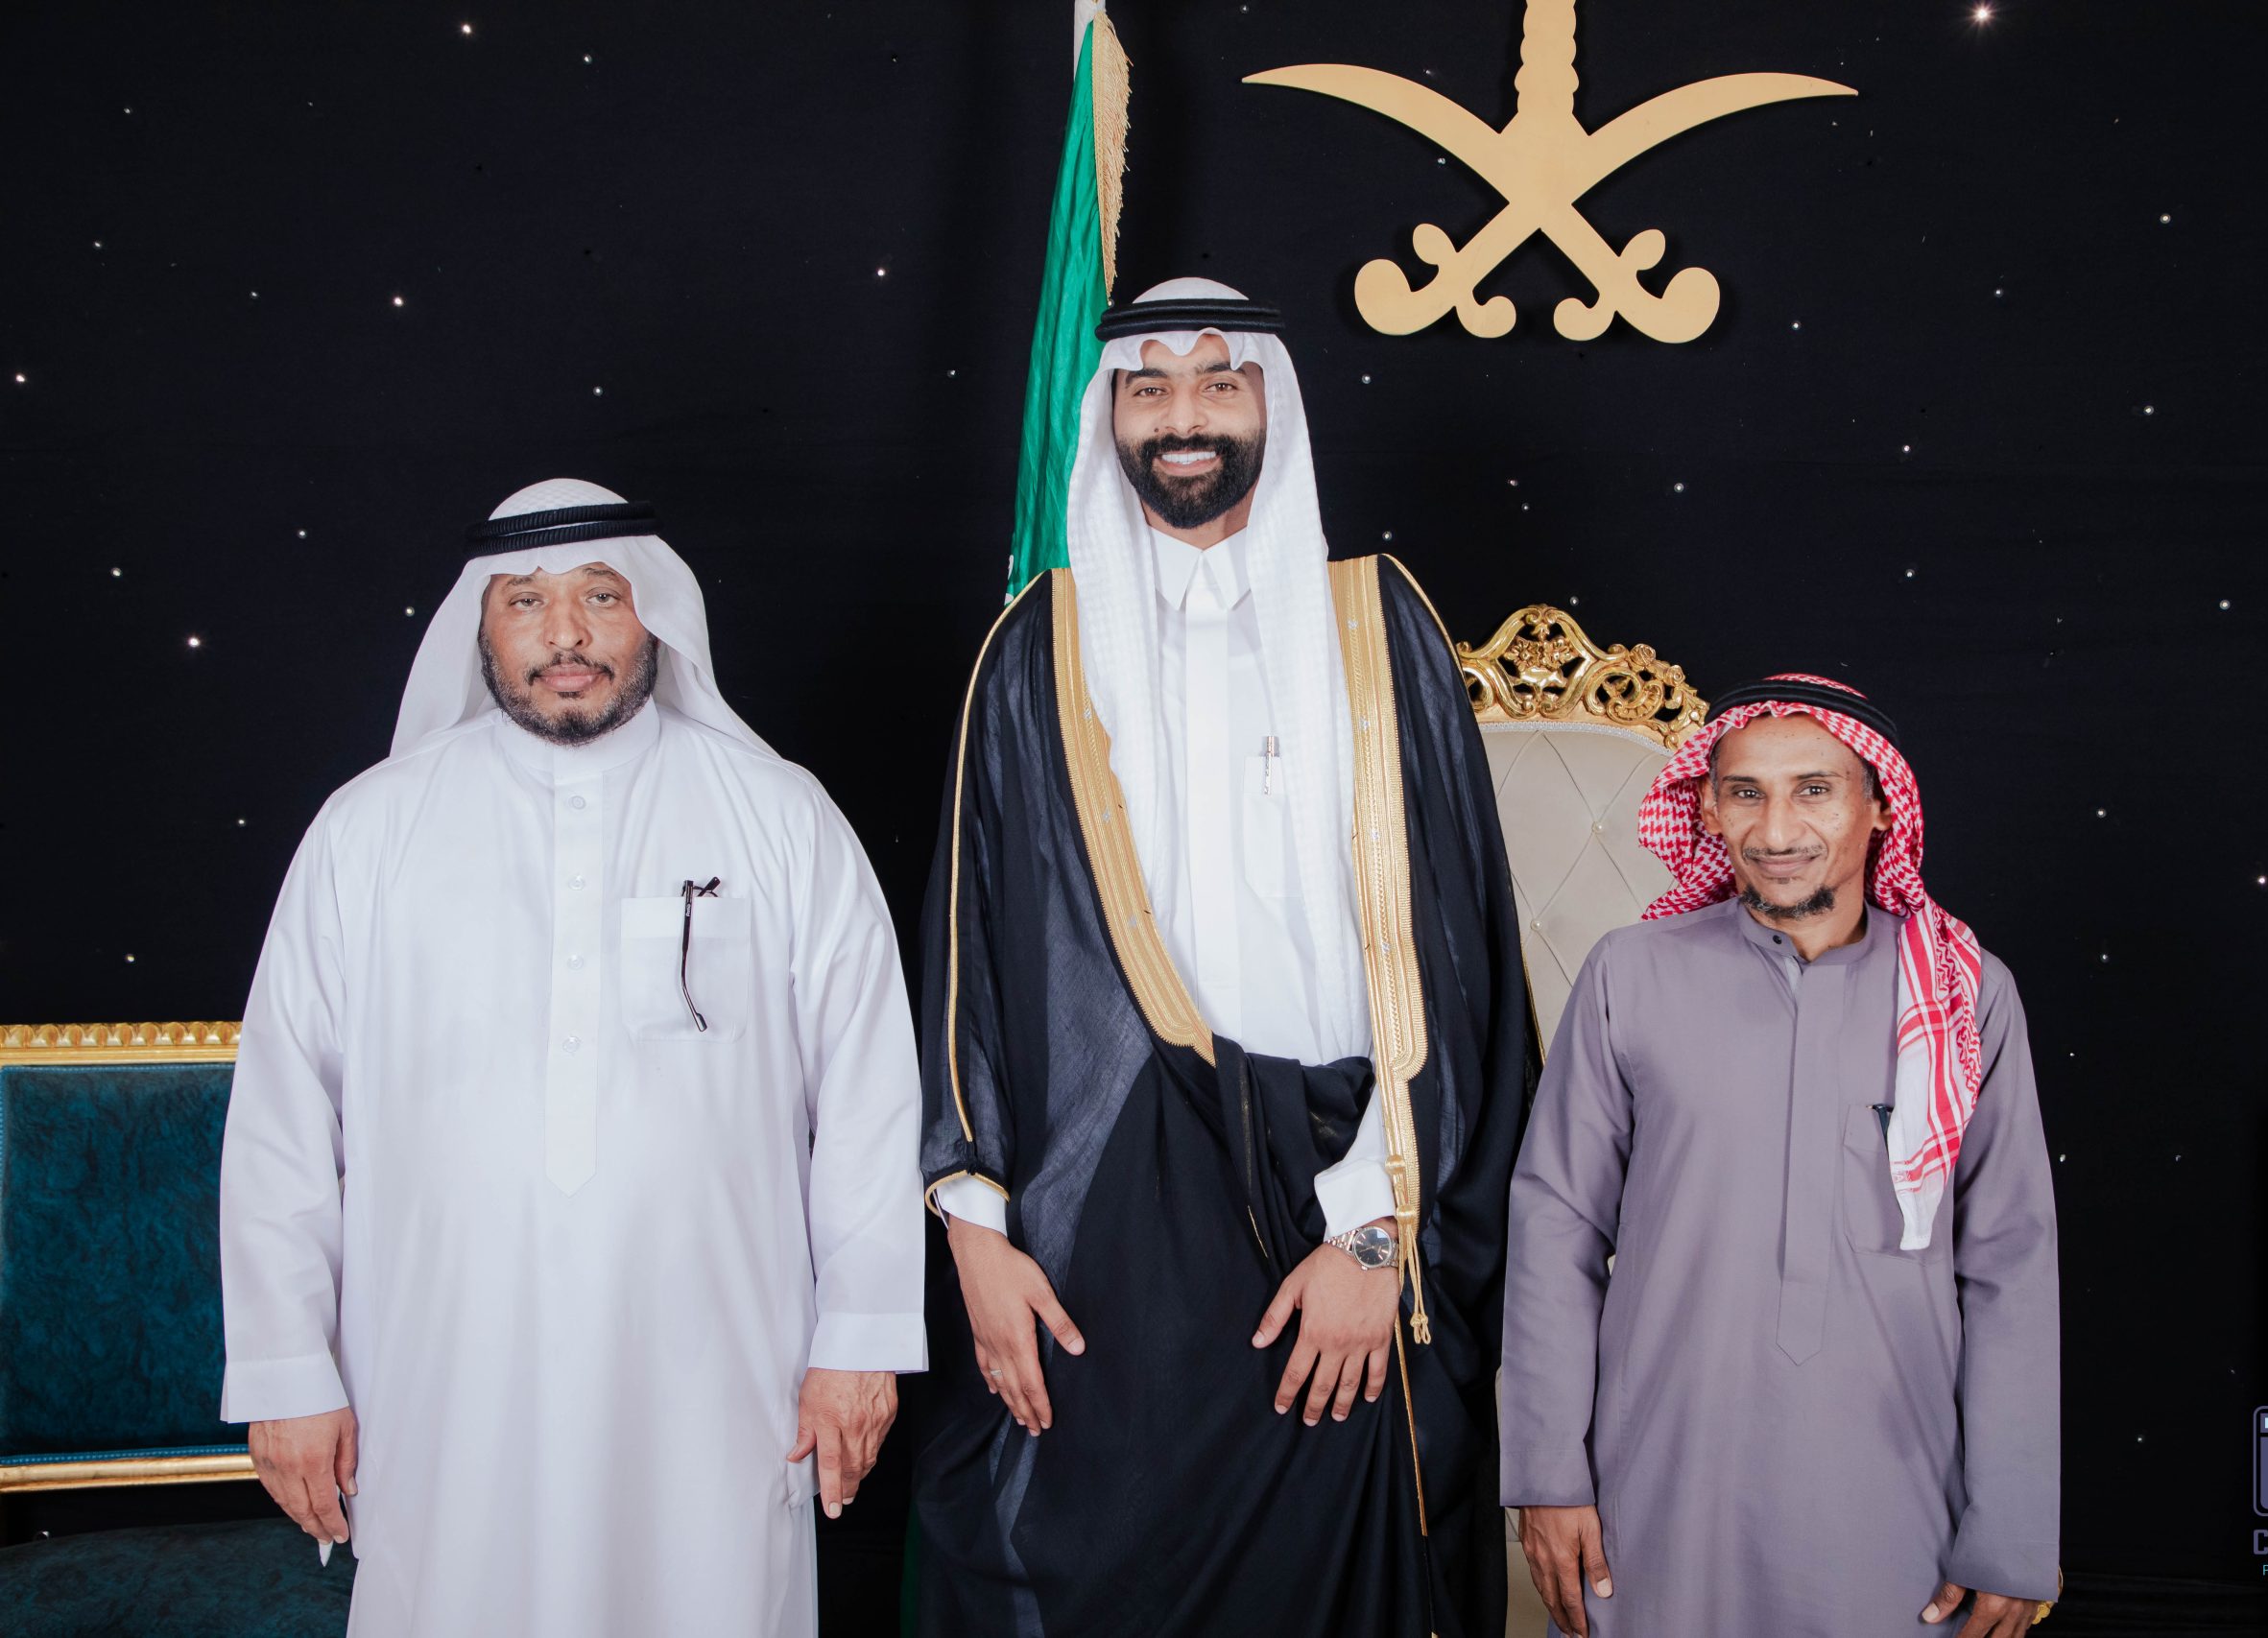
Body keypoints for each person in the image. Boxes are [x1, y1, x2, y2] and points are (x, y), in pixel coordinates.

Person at [911, 279, 1534, 1636]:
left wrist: (1377, 1228)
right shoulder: (1035, 650)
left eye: (1217, 381)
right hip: (1098, 1218)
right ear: (1110, 417)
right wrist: (974, 1230)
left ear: (1271, 404)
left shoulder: (1378, 628)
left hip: (1343, 1202)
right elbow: (968, 960)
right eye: (1148, 387)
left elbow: (1459, 958)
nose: (1182, 416)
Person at [218, 479, 926, 1638]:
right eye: (525, 602)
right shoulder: (368, 831)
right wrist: (288, 1370)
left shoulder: (781, 816)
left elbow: (867, 1099)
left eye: (601, 596)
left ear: (655, 613)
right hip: (441, 1374)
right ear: (479, 628)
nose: (565, 635)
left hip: (719, 1373)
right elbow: (283, 1123)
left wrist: (862, 1340)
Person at [1501, 674, 2060, 1638]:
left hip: (1896, 1496)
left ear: (1879, 807)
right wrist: (1547, 1473)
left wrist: (2010, 1527)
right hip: (1657, 1480)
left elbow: (2010, 1266)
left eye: (1814, 789)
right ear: (1708, 810)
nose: (1775, 829)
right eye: (1745, 793)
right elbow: (1555, 1228)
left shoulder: (1964, 994)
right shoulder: (1630, 973)